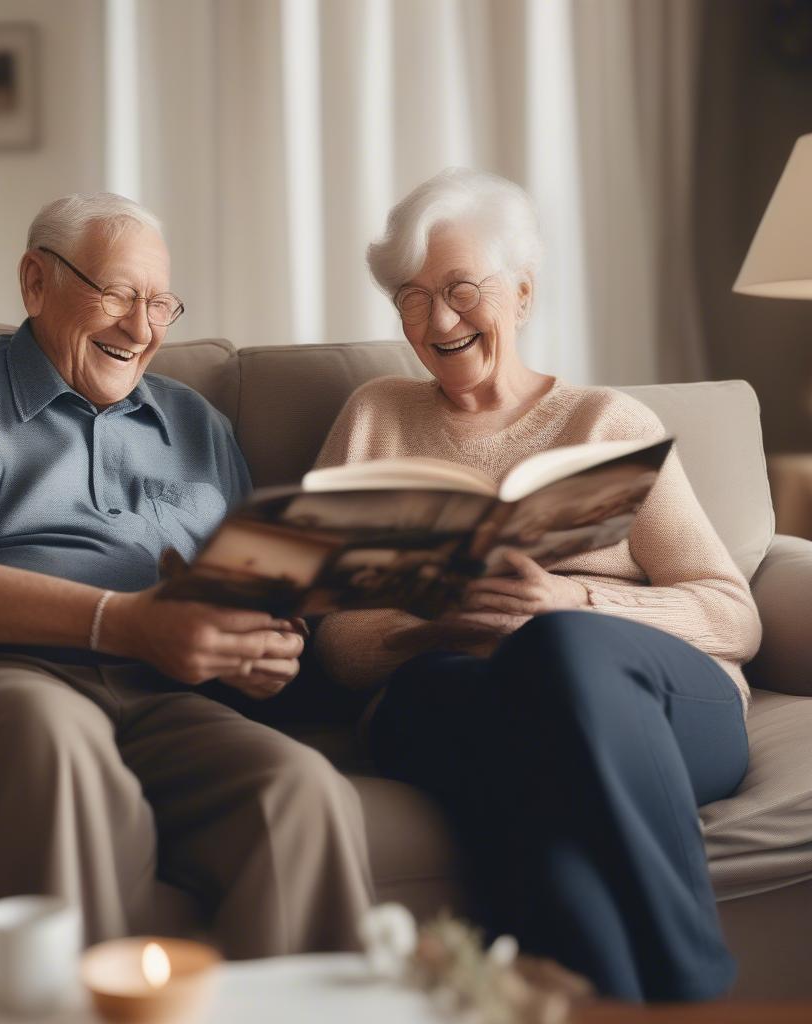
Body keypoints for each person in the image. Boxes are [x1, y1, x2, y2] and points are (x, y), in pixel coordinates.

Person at [0, 193, 372, 955]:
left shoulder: (198, 427)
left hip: (160, 701)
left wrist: (261, 649)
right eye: (118, 293)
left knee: (299, 789)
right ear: (35, 281)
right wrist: (126, 621)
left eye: (160, 303)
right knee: (55, 737)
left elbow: (258, 592)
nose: (141, 327)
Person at [313, 169, 760, 1002]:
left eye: (461, 289)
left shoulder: (605, 424)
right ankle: (675, 1001)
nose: (438, 319)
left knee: (557, 651)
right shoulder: (375, 417)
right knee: (496, 728)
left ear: (521, 294)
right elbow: (338, 642)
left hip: (650, 704)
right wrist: (435, 625)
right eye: (412, 297)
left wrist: (576, 600)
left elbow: (734, 615)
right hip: (459, 691)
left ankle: (673, 989)